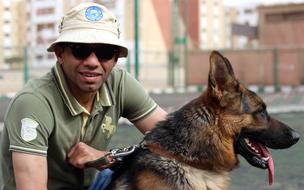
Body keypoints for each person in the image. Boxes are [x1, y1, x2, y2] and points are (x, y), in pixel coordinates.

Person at [0, 2, 167, 190]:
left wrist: (109, 157)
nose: (92, 62)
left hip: (94, 183)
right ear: (59, 53)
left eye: (104, 52)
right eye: (80, 50)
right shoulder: (33, 103)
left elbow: (176, 140)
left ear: (116, 58)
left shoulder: (119, 83)